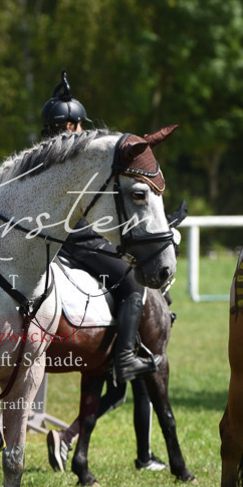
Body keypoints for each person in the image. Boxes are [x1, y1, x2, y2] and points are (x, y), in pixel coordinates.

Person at [40, 72, 162, 384]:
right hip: (75, 237)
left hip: (50, 236)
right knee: (132, 283)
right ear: (70, 126)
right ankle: (124, 359)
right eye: (80, 125)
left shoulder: (40, 154)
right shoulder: (74, 155)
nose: (83, 130)